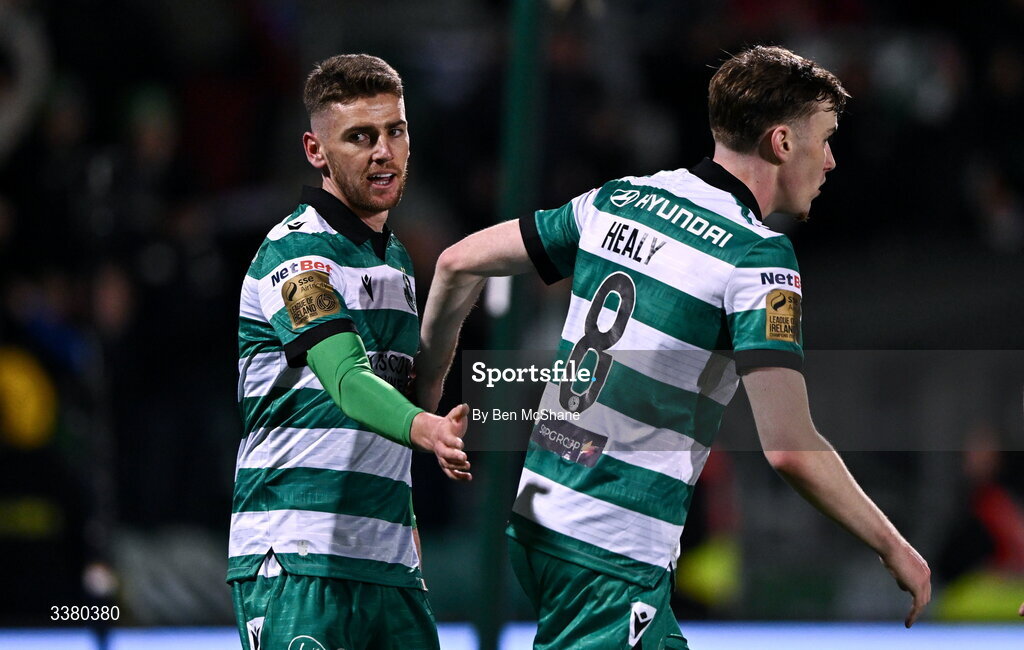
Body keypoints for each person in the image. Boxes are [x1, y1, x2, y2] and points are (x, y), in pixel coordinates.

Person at [417, 45, 931, 649]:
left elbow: (455, 263)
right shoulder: (757, 258)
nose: (833, 159)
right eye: (826, 138)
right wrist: (894, 546)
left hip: (542, 526)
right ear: (783, 143)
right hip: (613, 550)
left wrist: (421, 404)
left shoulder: (618, 199)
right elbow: (790, 448)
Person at [229, 54, 471, 650]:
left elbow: (380, 410)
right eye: (360, 137)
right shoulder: (297, 256)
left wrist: (405, 516)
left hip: (386, 561)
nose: (383, 151)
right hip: (297, 557)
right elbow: (345, 379)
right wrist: (428, 429)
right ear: (316, 151)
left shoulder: (394, 263)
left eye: (395, 131)